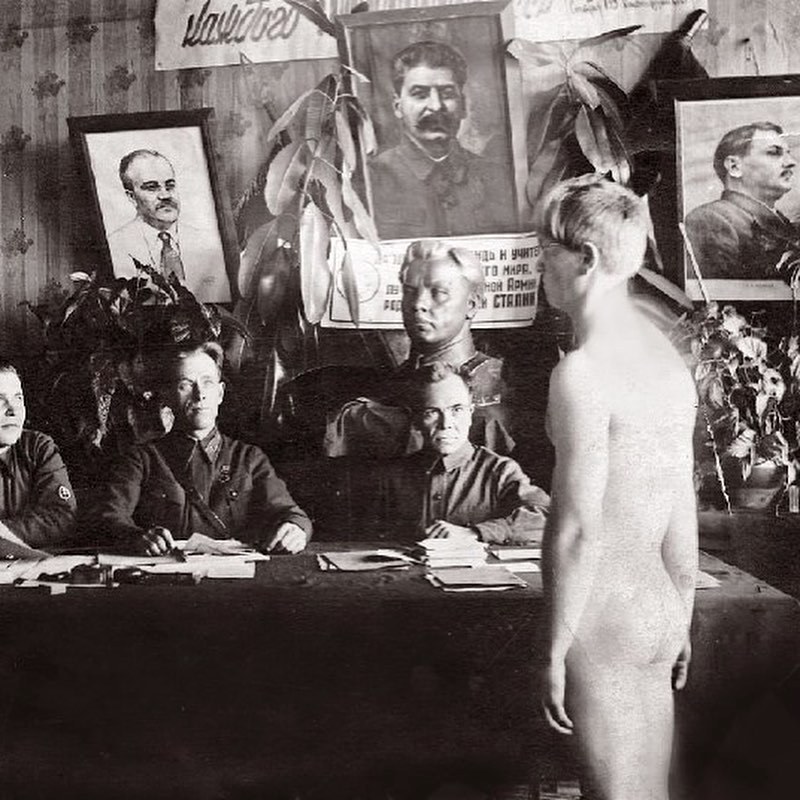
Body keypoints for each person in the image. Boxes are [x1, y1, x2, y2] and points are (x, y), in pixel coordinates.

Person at [538, 175, 698, 800]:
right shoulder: (665, 362)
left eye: (545, 251)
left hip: (603, 616)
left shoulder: (582, 372)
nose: (538, 266)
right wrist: (681, 612)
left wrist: (554, 647)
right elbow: (679, 506)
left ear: (586, 258)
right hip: (657, 606)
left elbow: (577, 527)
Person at [93, 342, 311, 555]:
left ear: (220, 393)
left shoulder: (249, 458)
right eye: (185, 385)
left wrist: (295, 529)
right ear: (167, 396)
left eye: (208, 383)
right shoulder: (142, 460)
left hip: (235, 575)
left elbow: (291, 514)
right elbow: (109, 517)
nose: (200, 395)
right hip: (167, 573)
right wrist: (136, 537)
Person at [325, 240, 514, 458]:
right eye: (409, 291)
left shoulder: (498, 384)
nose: (418, 304)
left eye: (438, 293)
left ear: (472, 305)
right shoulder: (396, 380)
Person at [374, 361, 549, 543]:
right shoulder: (392, 476)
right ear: (416, 420)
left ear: (470, 414)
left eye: (457, 410)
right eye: (432, 412)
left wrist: (475, 533)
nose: (446, 423)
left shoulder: (500, 471)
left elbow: (547, 518)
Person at [369, 40, 516, 238]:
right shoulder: (373, 178)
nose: (436, 106)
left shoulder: (496, 177)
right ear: (398, 106)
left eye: (447, 94)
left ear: (463, 105)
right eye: (420, 94)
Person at [107, 149, 231, 303]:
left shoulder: (209, 242)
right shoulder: (115, 247)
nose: (165, 195)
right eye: (152, 187)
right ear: (131, 197)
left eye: (170, 185)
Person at [684, 122, 799, 280]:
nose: (791, 162)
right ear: (734, 167)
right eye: (773, 153)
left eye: (788, 153)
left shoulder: (786, 225)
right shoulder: (711, 220)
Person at [0, 360, 77, 551]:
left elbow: (61, 516)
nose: (13, 410)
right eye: (0, 400)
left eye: (18, 398)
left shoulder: (36, 447)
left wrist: (3, 533)